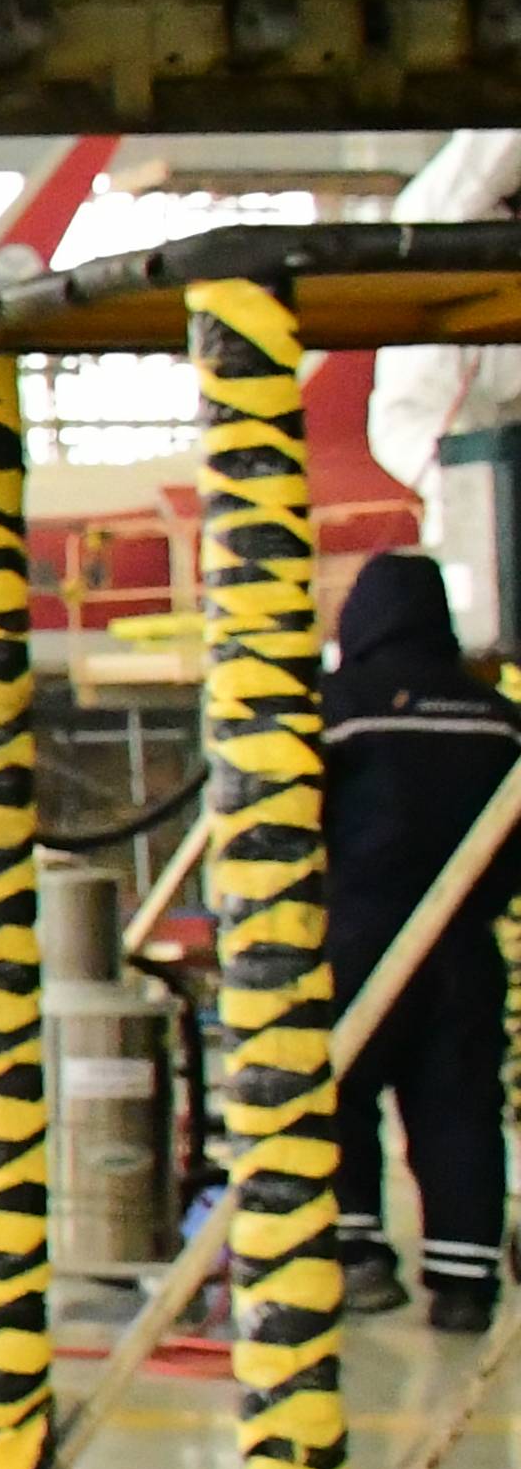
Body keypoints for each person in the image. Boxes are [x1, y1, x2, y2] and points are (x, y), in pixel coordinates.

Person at [318, 551, 513, 1330]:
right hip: (465, 939)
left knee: (339, 1091)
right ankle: (464, 1281)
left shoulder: (338, 706)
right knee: (459, 1101)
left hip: (360, 932)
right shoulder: (497, 717)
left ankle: (360, 1253)